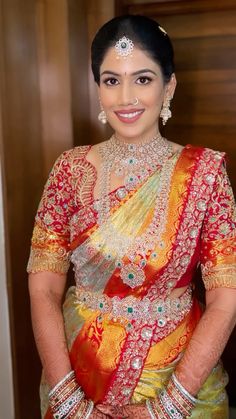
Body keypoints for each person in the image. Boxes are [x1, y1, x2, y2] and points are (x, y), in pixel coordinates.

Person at [27, 14, 236, 419]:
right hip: (78, 372)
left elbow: (225, 300)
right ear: (98, 88)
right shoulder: (69, 171)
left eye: (142, 79)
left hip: (181, 383)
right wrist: (68, 398)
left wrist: (169, 405)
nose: (126, 97)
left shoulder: (204, 175)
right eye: (111, 80)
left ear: (168, 85)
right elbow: (44, 291)